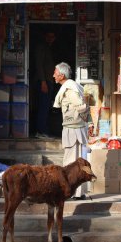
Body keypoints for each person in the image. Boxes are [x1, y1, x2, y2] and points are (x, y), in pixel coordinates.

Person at [53, 62, 90, 199]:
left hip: (73, 129)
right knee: (78, 161)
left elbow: (80, 105)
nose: (53, 75)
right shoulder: (72, 86)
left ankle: (68, 192)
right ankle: (78, 193)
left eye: (55, 73)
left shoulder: (69, 89)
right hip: (77, 128)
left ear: (61, 75)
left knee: (70, 162)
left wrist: (82, 114)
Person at [34, 31, 56, 138]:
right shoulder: (41, 47)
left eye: (53, 36)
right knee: (43, 106)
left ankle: (43, 130)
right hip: (44, 82)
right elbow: (39, 65)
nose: (51, 38)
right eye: (49, 36)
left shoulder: (48, 48)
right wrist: (43, 82)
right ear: (45, 36)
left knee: (46, 106)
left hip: (48, 81)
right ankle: (41, 131)